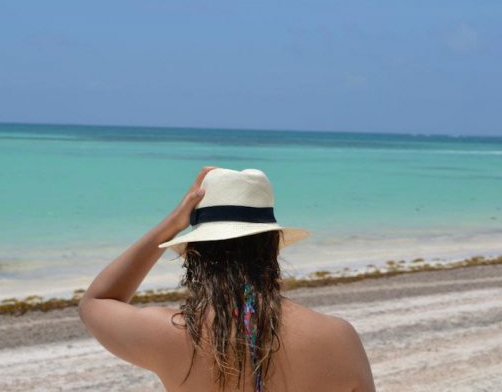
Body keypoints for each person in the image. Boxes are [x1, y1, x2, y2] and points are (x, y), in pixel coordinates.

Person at [79, 166, 376, 391]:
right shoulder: (338, 338)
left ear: (193, 253)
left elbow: (96, 301)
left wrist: (173, 223)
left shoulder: (173, 334)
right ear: (273, 245)